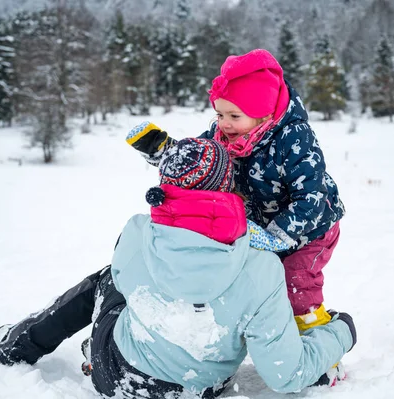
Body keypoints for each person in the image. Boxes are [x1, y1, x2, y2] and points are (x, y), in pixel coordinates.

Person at [0, 138, 356, 398]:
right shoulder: (260, 268)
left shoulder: (137, 233)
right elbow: (284, 373)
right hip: (201, 389)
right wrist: (341, 332)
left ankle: (16, 346)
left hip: (115, 375)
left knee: (107, 280)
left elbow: (127, 278)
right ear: (229, 190)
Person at [127, 49, 346, 332]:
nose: (224, 123)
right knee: (251, 281)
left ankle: (320, 346)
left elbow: (311, 197)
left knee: (296, 283)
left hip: (311, 229)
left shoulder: (294, 137)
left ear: (264, 114)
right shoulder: (224, 134)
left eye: (234, 115)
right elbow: (196, 160)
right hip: (260, 228)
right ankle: (265, 334)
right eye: (219, 114)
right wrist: (164, 152)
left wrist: (277, 235)